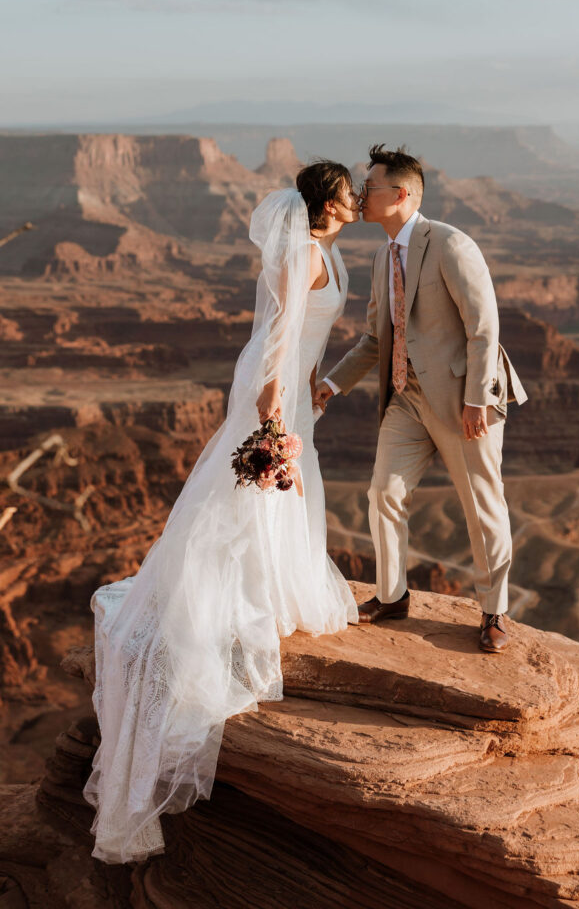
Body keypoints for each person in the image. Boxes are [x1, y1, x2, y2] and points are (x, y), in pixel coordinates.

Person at [84, 162, 360, 864]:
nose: (356, 201)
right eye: (349, 193)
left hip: (296, 387)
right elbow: (281, 323)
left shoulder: (324, 248)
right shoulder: (301, 252)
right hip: (273, 388)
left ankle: (266, 583)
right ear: (326, 203)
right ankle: (235, 595)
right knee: (249, 491)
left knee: (274, 492)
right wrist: (272, 405)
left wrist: (309, 388)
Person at [315, 144, 527, 653]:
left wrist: (476, 399)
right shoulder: (382, 255)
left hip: (462, 399)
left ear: (402, 194)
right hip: (407, 399)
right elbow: (374, 337)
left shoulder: (451, 245)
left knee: (482, 504)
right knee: (383, 493)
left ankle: (493, 612)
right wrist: (331, 383)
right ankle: (392, 597)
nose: (362, 196)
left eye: (372, 188)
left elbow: (483, 328)